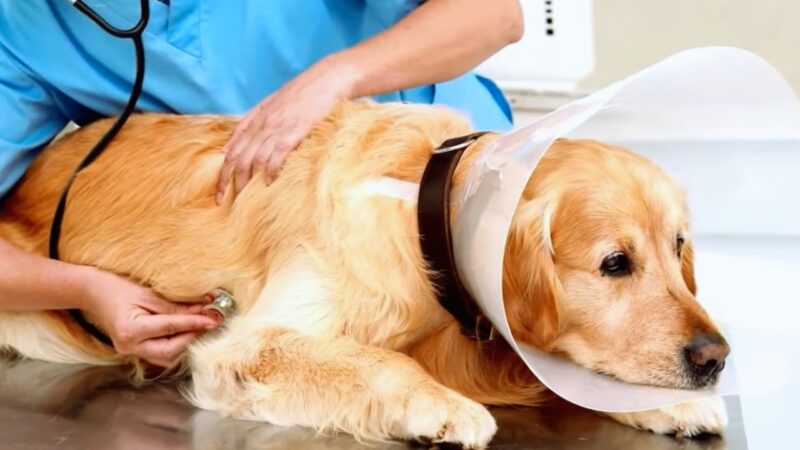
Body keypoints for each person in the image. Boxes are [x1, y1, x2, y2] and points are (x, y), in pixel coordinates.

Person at [0, 0, 523, 367]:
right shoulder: (24, 27)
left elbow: (494, 15)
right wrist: (86, 289)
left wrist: (337, 75)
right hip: (302, 281)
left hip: (469, 203)